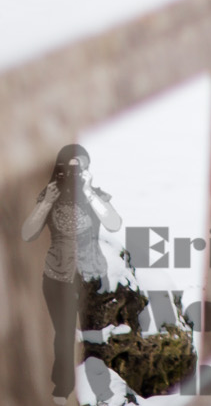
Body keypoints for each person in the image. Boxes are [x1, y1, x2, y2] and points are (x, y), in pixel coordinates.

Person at [21, 144, 121, 405]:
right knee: (63, 336)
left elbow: (113, 222)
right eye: (70, 167)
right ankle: (62, 391)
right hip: (57, 275)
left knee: (95, 334)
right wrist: (47, 202)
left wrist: (88, 191)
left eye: (81, 166)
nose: (75, 173)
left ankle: (103, 390)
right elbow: (27, 233)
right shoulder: (48, 195)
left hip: (91, 274)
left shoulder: (94, 195)